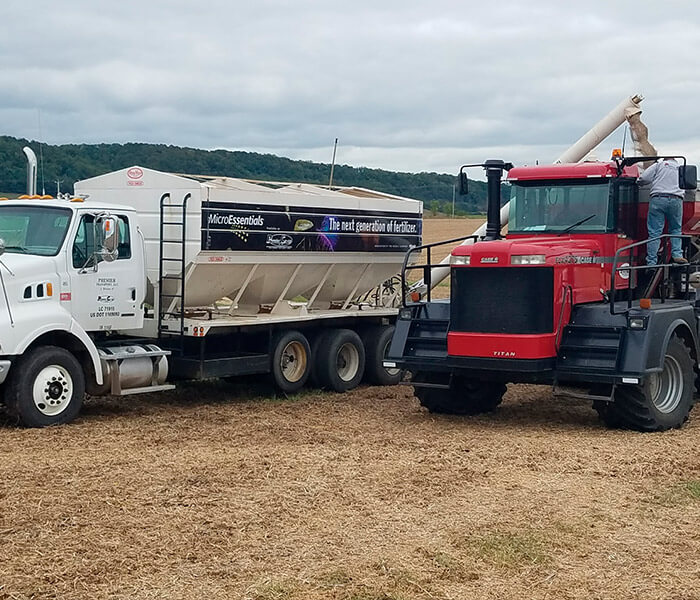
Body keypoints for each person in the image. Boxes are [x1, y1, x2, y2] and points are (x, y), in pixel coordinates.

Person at [638, 157, 688, 265]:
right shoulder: (681, 168)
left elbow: (643, 178)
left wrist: (638, 182)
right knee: (675, 229)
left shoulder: (658, 165)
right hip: (676, 199)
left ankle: (651, 262)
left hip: (658, 198)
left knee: (654, 232)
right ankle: (677, 255)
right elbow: (688, 184)